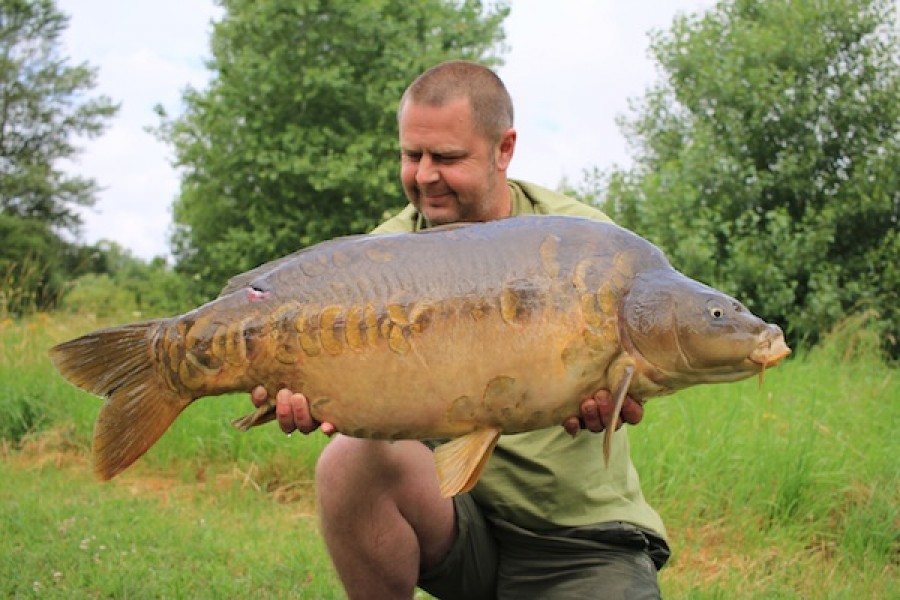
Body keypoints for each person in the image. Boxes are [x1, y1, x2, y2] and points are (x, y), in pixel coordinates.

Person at [249, 60, 669, 599]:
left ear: (504, 149)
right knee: (348, 460)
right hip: (451, 519)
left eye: (446, 157)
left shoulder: (587, 246)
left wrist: (618, 396)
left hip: (578, 538)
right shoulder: (378, 259)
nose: (424, 175)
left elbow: (653, 352)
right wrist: (303, 394)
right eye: (411, 155)